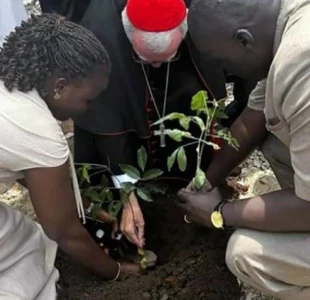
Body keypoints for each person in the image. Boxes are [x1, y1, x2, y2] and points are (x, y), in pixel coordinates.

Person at [48, 0, 256, 251]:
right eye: (145, 59)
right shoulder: (102, 33)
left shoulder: (204, 16)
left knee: (190, 93)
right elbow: (108, 121)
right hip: (122, 71)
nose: (157, 66)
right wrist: (125, 190)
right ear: (126, 32)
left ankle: (189, 175)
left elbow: (251, 68)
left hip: (183, 68)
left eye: (167, 57)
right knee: (115, 106)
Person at [0, 13, 140, 299]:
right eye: (89, 100)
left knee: (24, 240)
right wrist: (116, 271)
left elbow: (36, 179)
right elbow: (64, 233)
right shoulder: (38, 130)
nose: (90, 108)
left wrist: (88, 208)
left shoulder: (13, 84)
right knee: (28, 259)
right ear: (60, 86)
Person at [177, 0, 310, 299]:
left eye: (221, 60)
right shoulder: (289, 24)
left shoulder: (301, 64)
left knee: (244, 253)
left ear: (243, 40)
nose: (225, 70)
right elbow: (253, 118)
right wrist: (208, 180)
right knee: (273, 137)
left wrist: (219, 212)